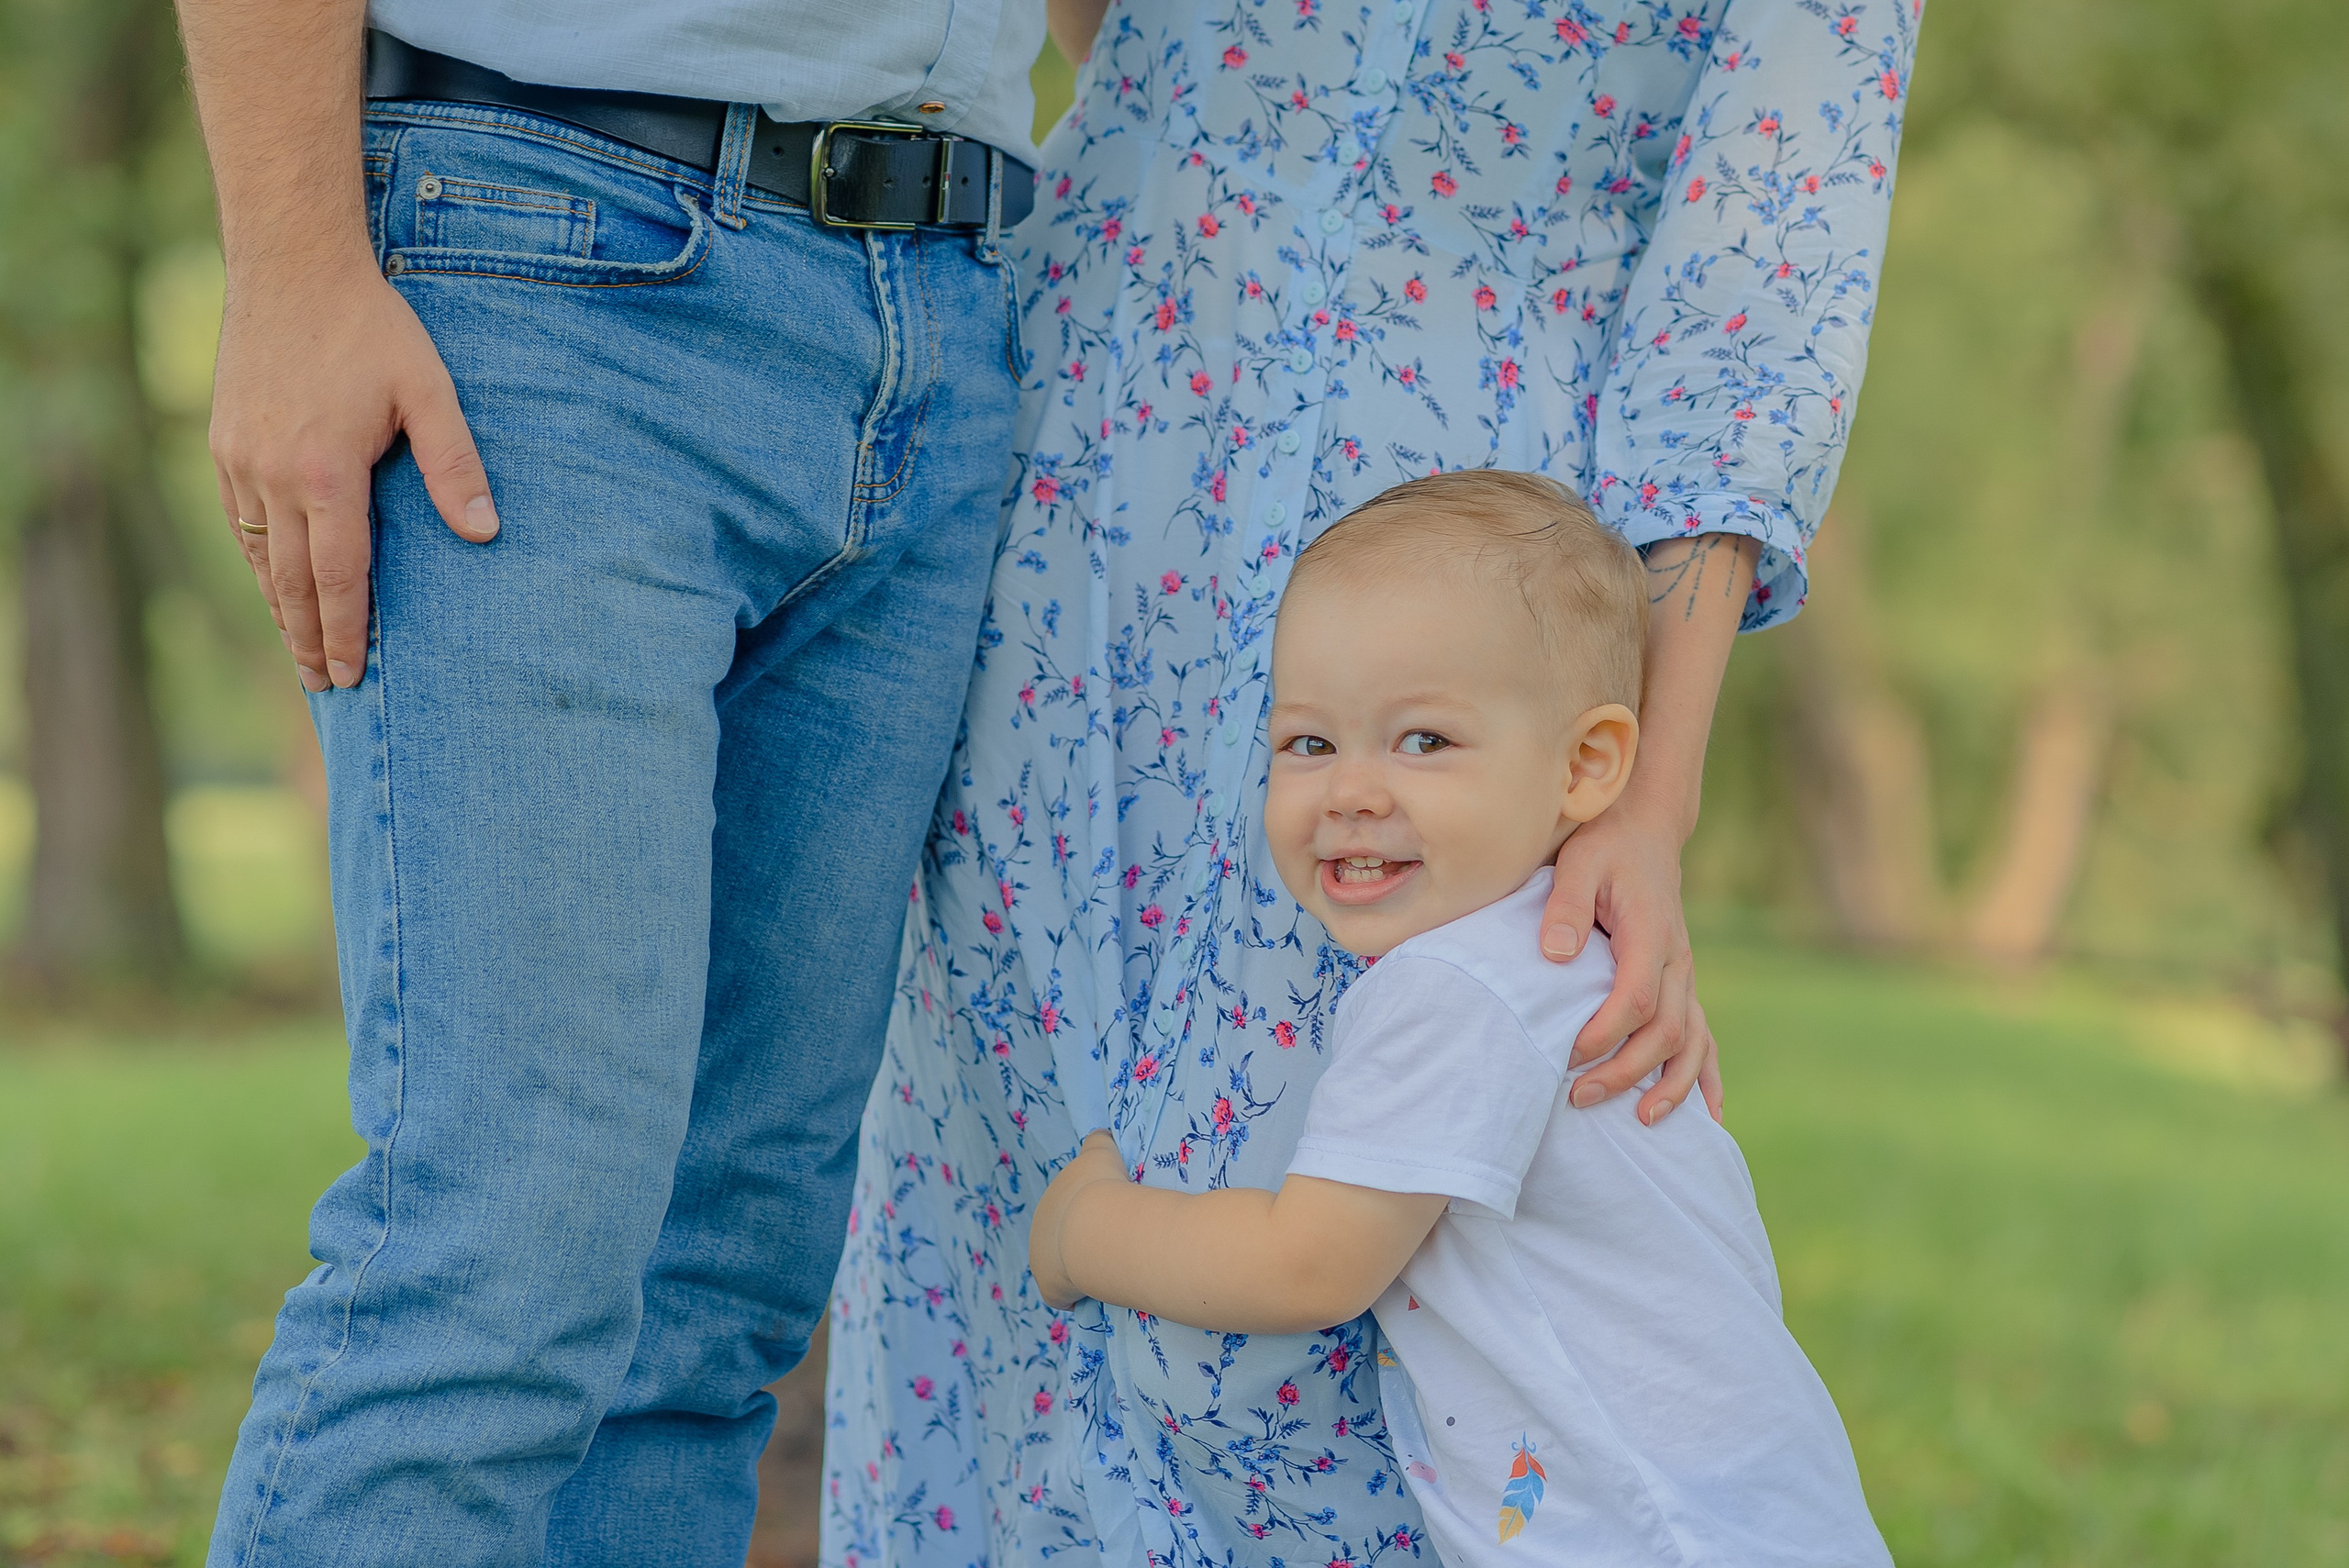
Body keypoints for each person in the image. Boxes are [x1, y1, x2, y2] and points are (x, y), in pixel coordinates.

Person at [822, 0, 1920, 1562]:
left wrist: (1645, 797)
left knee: (1306, 1297)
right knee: (994, 1229)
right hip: (1084, 521)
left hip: (1463, 590)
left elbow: (1763, 267)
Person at [175, 0, 1045, 1562]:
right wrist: (293, 268)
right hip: (549, 254)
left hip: (948, 302)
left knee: (720, 1288)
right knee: (502, 1250)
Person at [1029, 472, 1892, 1567]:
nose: (1350, 789)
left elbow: (1308, 1266)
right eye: (1307, 744)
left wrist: (1082, 1231)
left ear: (1587, 766)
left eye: (1423, 740)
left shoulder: (1457, 986)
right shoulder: (1559, 953)